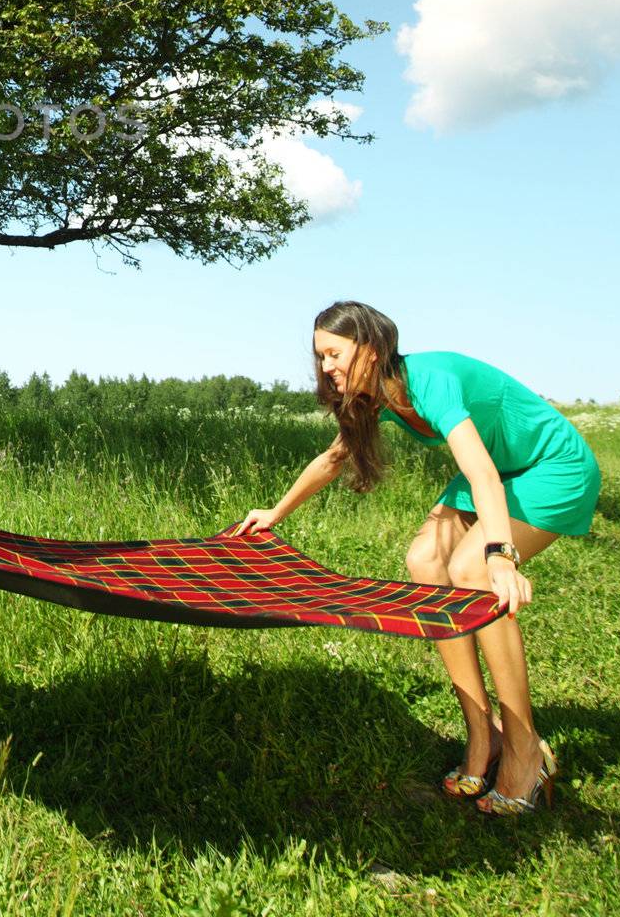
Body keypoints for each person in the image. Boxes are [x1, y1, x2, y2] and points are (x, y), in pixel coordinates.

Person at [238, 300, 600, 815]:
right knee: (425, 562)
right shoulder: (375, 394)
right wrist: (276, 512)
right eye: (320, 357)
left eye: (334, 354)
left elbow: (479, 472)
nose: (326, 367)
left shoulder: (429, 380)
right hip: (505, 470)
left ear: (371, 347)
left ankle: (524, 748)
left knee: (471, 568)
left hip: (551, 467)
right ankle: (483, 736)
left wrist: (500, 553)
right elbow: (335, 457)